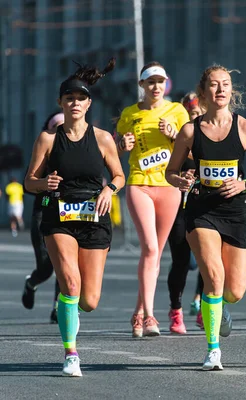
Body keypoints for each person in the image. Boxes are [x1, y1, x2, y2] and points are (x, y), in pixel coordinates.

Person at [24, 58, 124, 377]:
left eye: (80, 98)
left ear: (88, 103)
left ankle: (70, 313)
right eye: (69, 98)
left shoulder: (104, 139)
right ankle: (71, 353)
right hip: (59, 218)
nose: (75, 103)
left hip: (95, 220)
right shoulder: (49, 139)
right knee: (70, 283)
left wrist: (109, 189)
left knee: (89, 300)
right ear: (61, 103)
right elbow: (29, 182)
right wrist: (44, 184)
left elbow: (120, 175)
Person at [166, 65, 246, 370]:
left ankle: (220, 308)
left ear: (231, 91)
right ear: (203, 93)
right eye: (214, 85)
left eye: (225, 84)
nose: (221, 90)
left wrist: (244, 182)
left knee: (234, 291)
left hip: (236, 210)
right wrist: (180, 181)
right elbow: (170, 172)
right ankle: (213, 349)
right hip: (201, 210)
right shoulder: (190, 130)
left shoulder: (245, 128)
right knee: (213, 277)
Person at [116, 62, 189, 337]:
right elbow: (115, 145)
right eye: (150, 82)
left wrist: (174, 136)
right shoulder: (129, 113)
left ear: (165, 84)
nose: (156, 87)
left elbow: (189, 146)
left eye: (160, 82)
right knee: (148, 247)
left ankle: (136, 313)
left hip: (169, 186)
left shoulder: (177, 111)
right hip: (140, 185)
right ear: (142, 86)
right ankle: (149, 316)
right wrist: (122, 145)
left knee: (155, 254)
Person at [165, 92, 206, 334]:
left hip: (205, 206)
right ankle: (176, 309)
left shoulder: (212, 135)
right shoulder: (176, 138)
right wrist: (182, 176)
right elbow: (166, 169)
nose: (195, 117)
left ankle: (202, 305)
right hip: (179, 206)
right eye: (191, 114)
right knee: (182, 261)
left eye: (199, 113)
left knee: (206, 260)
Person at [22, 111, 65, 323]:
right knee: (47, 267)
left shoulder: (80, 150)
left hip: (71, 213)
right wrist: (44, 183)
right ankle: (31, 283)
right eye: (56, 127)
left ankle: (59, 307)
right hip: (45, 208)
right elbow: (28, 184)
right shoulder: (43, 150)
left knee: (65, 263)